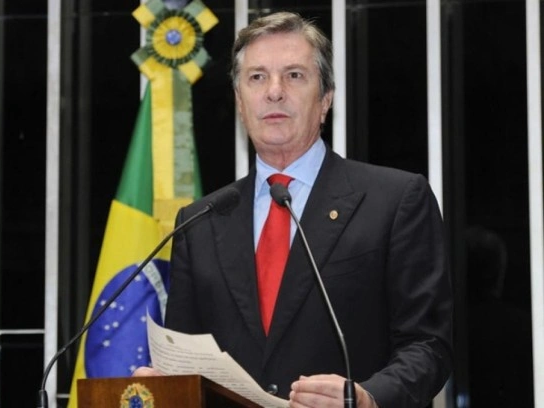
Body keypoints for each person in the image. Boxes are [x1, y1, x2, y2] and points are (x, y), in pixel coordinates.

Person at [136, 12, 452, 408]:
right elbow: (184, 354)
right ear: (240, 101)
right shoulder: (200, 221)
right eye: (257, 77)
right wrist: (166, 386)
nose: (274, 92)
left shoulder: (395, 200)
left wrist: (368, 397)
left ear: (326, 99)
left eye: (294, 75)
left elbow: (428, 345)